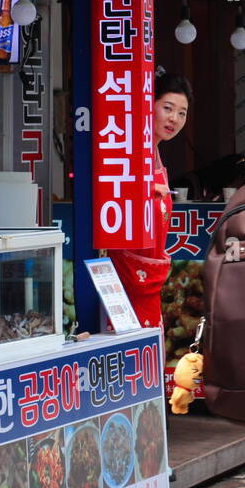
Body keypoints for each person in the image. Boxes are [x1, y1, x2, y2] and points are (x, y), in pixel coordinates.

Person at [107, 70, 191, 331]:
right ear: (149, 105)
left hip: (147, 285)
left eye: (182, 113)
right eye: (167, 108)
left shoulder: (153, 151)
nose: (174, 119)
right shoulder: (128, 151)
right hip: (126, 282)